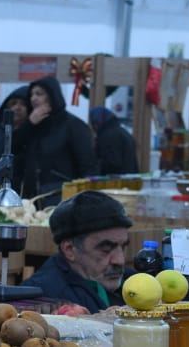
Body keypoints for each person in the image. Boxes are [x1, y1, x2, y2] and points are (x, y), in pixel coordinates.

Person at [22, 191, 133, 314]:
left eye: (122, 247)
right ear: (69, 249)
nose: (120, 260)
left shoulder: (131, 283)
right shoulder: (44, 300)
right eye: (105, 249)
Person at [12, 76, 97, 206]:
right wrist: (29, 124)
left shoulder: (73, 125)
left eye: (39, 94)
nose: (33, 98)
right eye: (31, 94)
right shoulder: (32, 126)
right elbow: (12, 148)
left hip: (62, 197)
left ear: (52, 96)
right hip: (31, 199)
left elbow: (88, 166)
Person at [89, 106, 138, 175]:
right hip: (129, 180)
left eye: (94, 123)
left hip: (115, 182)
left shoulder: (108, 136)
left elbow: (112, 163)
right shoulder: (123, 132)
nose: (93, 127)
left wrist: (93, 164)